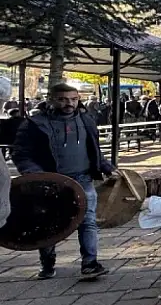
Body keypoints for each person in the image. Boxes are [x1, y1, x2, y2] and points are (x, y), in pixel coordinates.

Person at [12, 83, 114, 279]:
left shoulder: (86, 120)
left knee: (88, 221)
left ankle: (90, 264)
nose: (69, 103)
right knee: (48, 224)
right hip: (49, 183)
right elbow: (21, 154)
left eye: (74, 99)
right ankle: (48, 264)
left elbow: (94, 151)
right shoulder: (34, 124)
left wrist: (107, 167)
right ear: (51, 99)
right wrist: (36, 175)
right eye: (63, 99)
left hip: (82, 179)